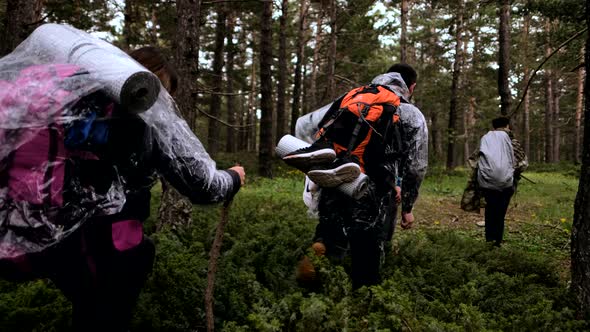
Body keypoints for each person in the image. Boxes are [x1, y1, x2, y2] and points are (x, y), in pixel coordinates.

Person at [2, 46, 245, 331]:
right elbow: (201, 185)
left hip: (62, 237)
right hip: (110, 243)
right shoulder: (146, 122)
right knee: (105, 315)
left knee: (87, 307)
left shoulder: (79, 103)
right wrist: (233, 177)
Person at [292, 63, 428, 289]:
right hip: (373, 188)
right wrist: (407, 207)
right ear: (411, 87)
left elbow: (306, 127)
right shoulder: (410, 113)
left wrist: (318, 169)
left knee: (330, 234)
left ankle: (317, 279)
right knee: (367, 247)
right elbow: (417, 166)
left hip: (334, 178)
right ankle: (363, 301)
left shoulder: (352, 97)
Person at [476, 116, 527, 246]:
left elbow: (476, 158)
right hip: (506, 183)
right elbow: (523, 163)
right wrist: (514, 171)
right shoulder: (511, 140)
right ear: (507, 126)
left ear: (493, 126)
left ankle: (489, 240)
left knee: (490, 210)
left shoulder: (486, 138)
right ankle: (497, 241)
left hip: (487, 182)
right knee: (500, 212)